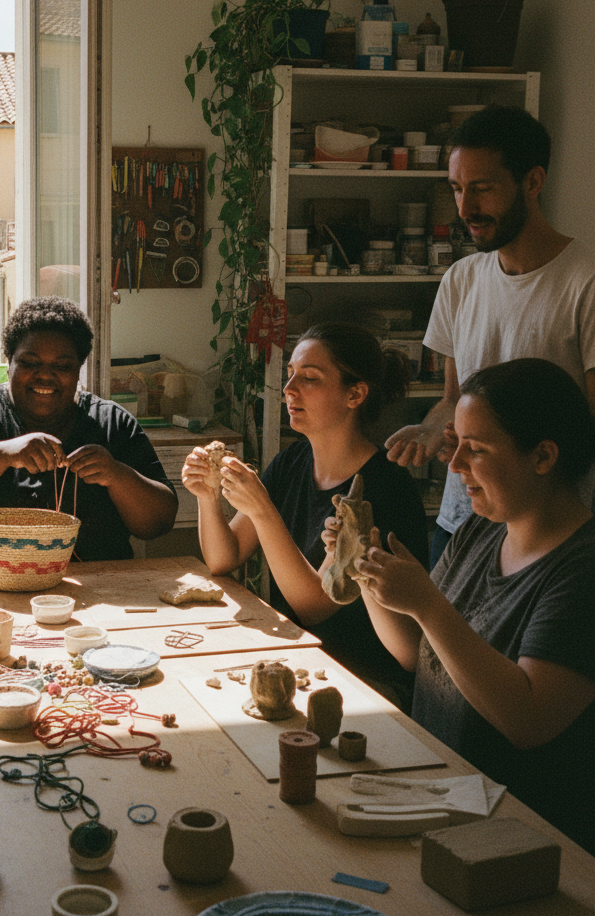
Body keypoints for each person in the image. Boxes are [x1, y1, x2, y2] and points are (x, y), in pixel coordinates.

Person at [348, 359, 595, 854]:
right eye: (455, 442)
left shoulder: (581, 570)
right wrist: (365, 572)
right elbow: (420, 654)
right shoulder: (484, 529)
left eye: (476, 449)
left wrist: (428, 604)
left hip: (522, 843)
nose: (454, 462)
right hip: (445, 804)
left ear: (544, 456)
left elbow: (529, 719)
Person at [385, 105, 595, 568]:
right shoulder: (461, 279)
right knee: (427, 642)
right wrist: (432, 427)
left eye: (482, 189)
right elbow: (454, 398)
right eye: (458, 189)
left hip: (548, 536)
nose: (465, 209)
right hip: (461, 523)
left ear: (533, 182)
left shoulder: (585, 282)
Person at [182, 322, 428, 709]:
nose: (289, 389)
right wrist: (207, 496)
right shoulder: (293, 461)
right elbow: (222, 557)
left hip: (364, 678)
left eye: (309, 378)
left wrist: (263, 510)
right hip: (302, 659)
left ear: (355, 394)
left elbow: (314, 606)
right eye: (291, 374)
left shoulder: (380, 488)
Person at [0, 296, 178, 569]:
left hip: (95, 595)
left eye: (62, 366)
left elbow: (159, 523)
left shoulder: (110, 423)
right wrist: (1, 455)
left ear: (79, 369)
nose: (45, 375)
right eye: (30, 363)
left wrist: (118, 475)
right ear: (9, 363)